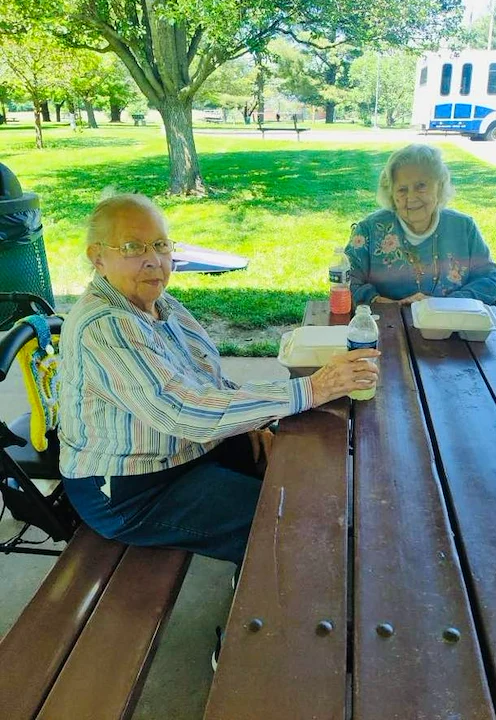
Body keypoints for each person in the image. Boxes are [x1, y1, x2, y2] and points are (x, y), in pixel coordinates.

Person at [58, 192, 379, 569]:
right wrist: (314, 387)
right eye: (132, 247)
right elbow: (185, 412)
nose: (153, 261)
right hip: (132, 489)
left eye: (161, 245)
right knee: (291, 524)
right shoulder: (106, 325)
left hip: (186, 450)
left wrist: (245, 427)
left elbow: (205, 382)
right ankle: (263, 619)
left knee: (304, 468)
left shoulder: (159, 303)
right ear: (98, 257)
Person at [345, 144, 496, 306]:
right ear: (391, 193)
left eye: (421, 186)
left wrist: (443, 305)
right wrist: (385, 304)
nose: (411, 197)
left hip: (453, 324)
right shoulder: (369, 230)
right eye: (402, 189)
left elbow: (488, 280)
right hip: (385, 325)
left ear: (439, 186)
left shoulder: (464, 227)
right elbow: (346, 280)